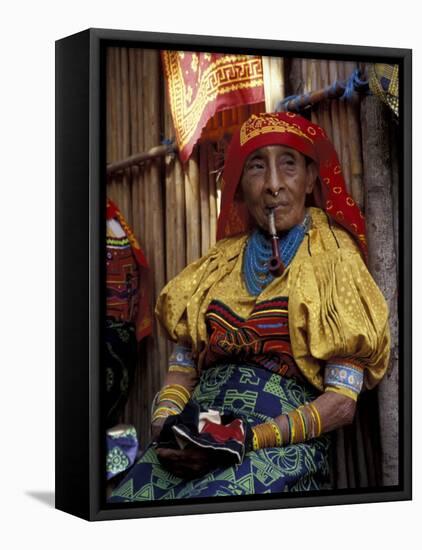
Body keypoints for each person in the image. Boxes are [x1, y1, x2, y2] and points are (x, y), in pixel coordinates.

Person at [108, 112, 390, 501]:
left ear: (310, 178)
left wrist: (245, 439)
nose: (273, 185)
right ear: (240, 183)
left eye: (288, 164)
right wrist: (166, 426)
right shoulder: (218, 263)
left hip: (279, 444)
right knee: (125, 504)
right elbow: (181, 371)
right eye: (257, 167)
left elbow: (342, 403)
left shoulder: (332, 258)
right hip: (200, 431)